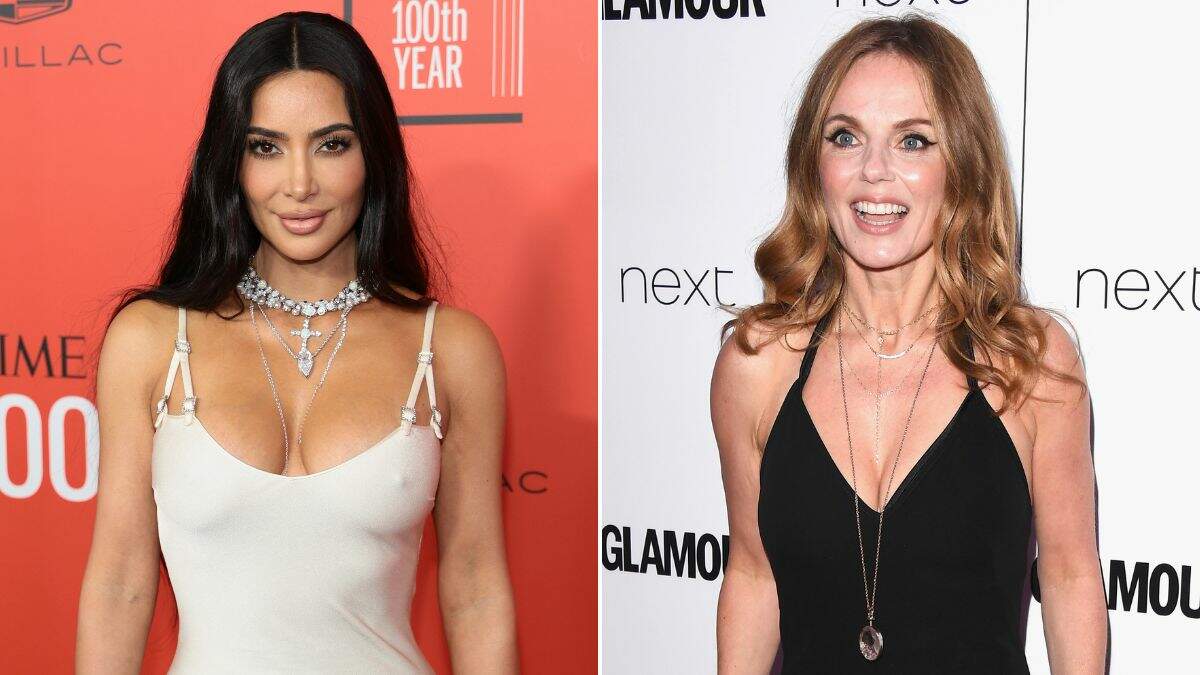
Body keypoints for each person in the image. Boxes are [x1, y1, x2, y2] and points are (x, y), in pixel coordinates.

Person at [75, 12, 517, 673]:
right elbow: (120, 583)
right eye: (266, 147)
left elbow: (475, 586)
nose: (300, 183)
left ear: (373, 154)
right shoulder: (152, 339)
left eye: (332, 144)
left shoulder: (452, 349)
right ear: (231, 162)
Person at [711, 14, 1106, 674]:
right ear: (814, 165)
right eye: (845, 137)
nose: (874, 172)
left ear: (962, 165)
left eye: (913, 141)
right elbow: (753, 574)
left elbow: (1069, 576)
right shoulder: (757, 364)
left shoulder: (1030, 362)